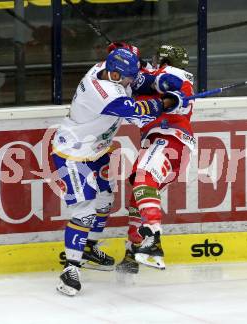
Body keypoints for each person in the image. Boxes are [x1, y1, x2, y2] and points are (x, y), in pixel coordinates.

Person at [52, 47, 188, 296]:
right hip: (72, 154)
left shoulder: (110, 69)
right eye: (126, 78)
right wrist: (171, 101)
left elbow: (141, 80)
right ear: (114, 75)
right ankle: (70, 269)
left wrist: (165, 81)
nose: (130, 82)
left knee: (105, 202)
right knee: (86, 209)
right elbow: (140, 109)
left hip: (97, 150)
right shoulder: (102, 93)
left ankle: (89, 247)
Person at [116, 44, 195, 273]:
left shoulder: (175, 74)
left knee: (144, 180)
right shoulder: (161, 74)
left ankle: (153, 241)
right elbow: (144, 83)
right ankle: (133, 250)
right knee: (138, 197)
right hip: (161, 141)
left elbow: (148, 81)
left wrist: (131, 62)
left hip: (169, 138)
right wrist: (136, 62)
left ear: (164, 60)